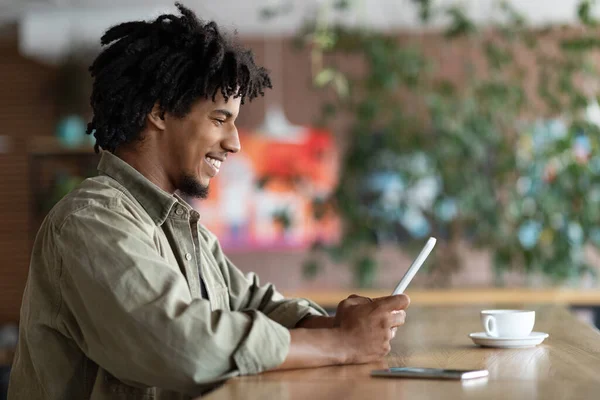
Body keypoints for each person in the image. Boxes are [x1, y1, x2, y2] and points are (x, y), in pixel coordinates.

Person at [8, 3, 410, 399]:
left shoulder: (181, 228)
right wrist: (341, 345)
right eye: (220, 119)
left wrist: (343, 325)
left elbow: (255, 302)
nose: (234, 142)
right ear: (159, 112)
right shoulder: (90, 221)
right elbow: (182, 345)